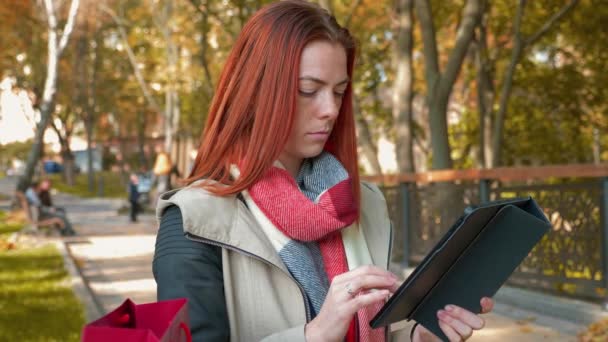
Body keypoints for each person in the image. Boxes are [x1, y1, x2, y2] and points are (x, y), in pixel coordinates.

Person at [153, 1, 494, 341]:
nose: (330, 109)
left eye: (340, 92)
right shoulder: (194, 220)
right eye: (308, 90)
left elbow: (378, 332)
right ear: (255, 92)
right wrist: (314, 335)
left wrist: (422, 337)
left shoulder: (364, 204)